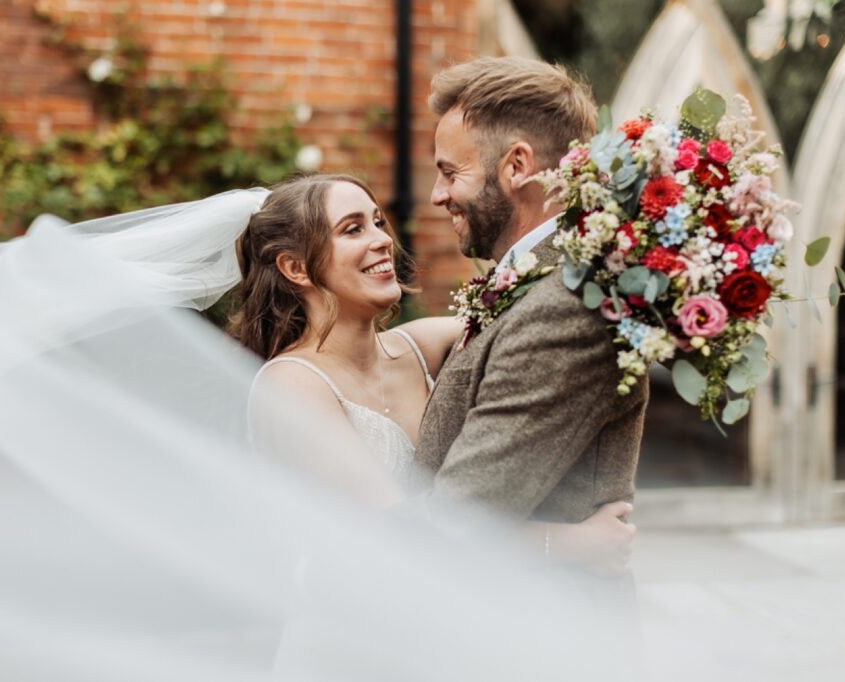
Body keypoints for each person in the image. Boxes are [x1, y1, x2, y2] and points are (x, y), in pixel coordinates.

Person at [232, 173, 635, 575]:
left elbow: (540, 325)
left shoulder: (423, 346)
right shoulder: (292, 385)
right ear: (296, 268)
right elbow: (400, 539)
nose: (382, 240)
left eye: (378, 222)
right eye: (352, 229)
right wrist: (569, 542)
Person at [416, 57, 649, 531]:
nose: (438, 195)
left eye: (450, 172)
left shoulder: (566, 310)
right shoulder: (536, 282)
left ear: (517, 165)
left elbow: (459, 520)